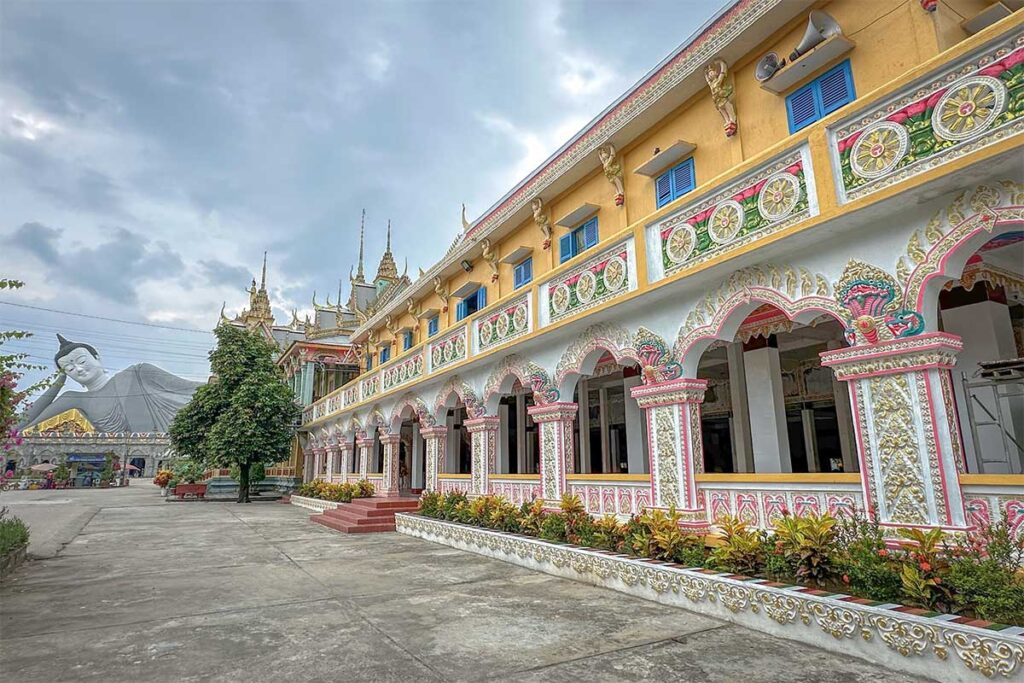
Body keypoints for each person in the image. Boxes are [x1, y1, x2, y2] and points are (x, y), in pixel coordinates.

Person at [18, 334, 202, 433]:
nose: (79, 369)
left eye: (81, 361)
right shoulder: (75, 399)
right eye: (70, 368)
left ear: (97, 357)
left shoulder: (137, 373)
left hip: (161, 441)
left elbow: (188, 389)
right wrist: (59, 381)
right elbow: (18, 428)